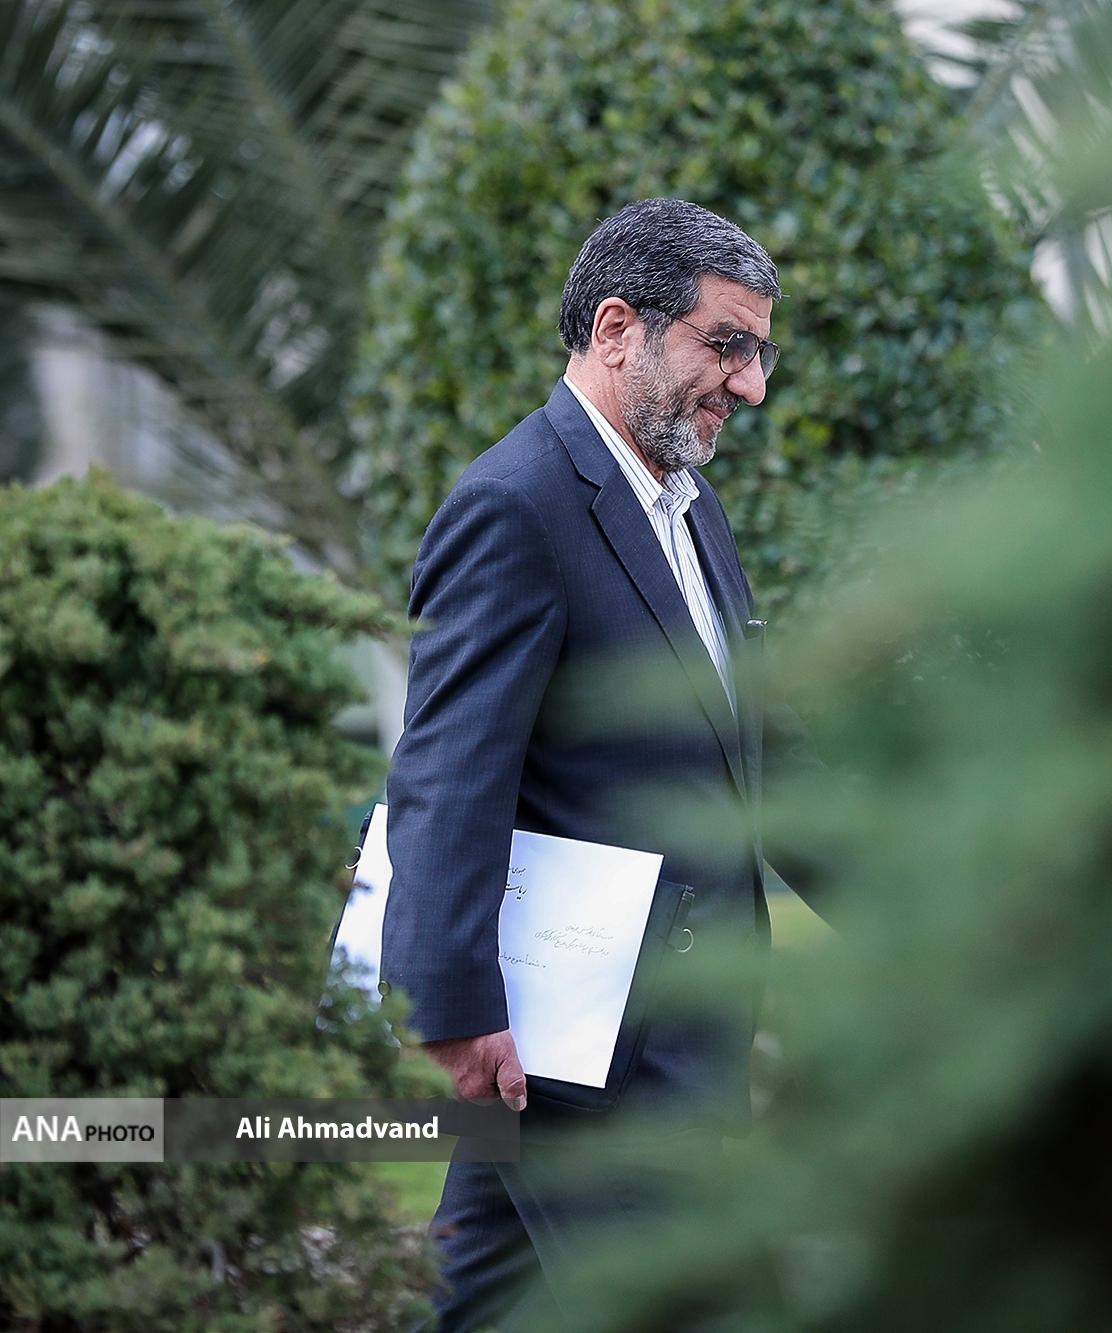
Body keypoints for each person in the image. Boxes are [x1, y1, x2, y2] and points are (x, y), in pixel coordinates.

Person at [379, 198, 825, 1328]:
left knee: (480, 1299)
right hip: (585, 1051)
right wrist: (450, 1004)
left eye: (760, 353)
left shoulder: (689, 504)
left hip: (657, 1041)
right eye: (727, 345)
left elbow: (754, 753)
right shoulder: (512, 506)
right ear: (618, 328)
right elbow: (447, 770)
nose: (750, 385)